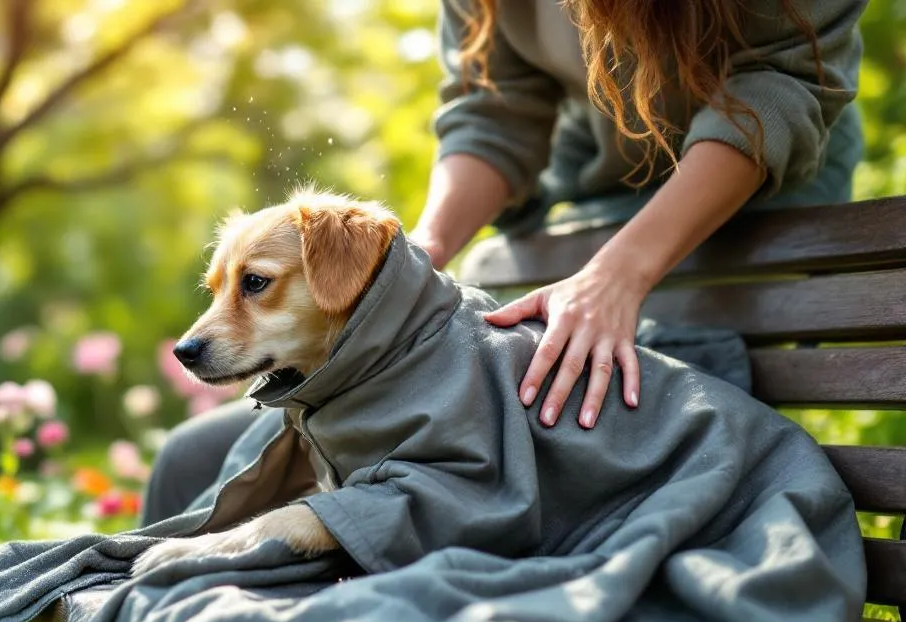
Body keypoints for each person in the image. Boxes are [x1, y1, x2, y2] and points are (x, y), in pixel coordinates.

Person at [142, 0, 867, 527]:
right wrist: (413, 257)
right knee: (192, 458)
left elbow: (780, 83)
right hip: (570, 229)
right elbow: (492, 110)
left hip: (746, 219)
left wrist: (621, 274)